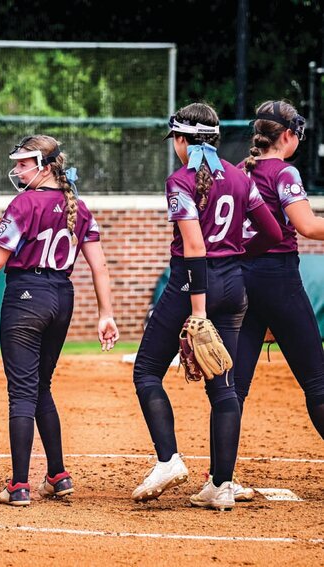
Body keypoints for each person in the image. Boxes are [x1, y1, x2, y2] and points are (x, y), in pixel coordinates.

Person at [0, 135, 118, 505]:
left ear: (45, 167)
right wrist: (106, 314)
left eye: (23, 164)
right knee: (41, 387)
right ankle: (58, 475)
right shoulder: (78, 206)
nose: (16, 170)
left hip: (25, 297)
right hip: (62, 298)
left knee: (21, 391)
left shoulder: (23, 203)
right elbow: (99, 266)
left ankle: (18, 485)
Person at [130, 103, 281, 511]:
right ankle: (221, 485)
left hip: (191, 284)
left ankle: (168, 460)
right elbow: (271, 231)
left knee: (146, 372)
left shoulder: (180, 180)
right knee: (223, 385)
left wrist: (197, 310)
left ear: (182, 139)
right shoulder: (239, 176)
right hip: (233, 286)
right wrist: (235, 258)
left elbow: (195, 247)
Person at [233, 100, 324, 453]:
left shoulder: (240, 169)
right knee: (317, 382)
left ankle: (219, 476)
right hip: (278, 277)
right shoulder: (283, 172)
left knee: (234, 388)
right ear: (287, 135)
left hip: (240, 278)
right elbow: (307, 226)